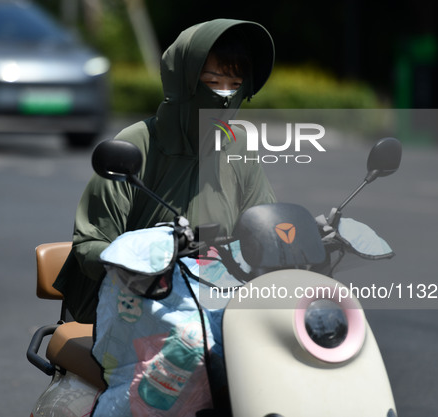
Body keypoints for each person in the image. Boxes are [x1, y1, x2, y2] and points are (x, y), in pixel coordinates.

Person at [54, 19, 276, 325]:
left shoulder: (239, 149)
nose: (225, 96)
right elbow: (91, 245)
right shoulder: (136, 144)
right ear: (182, 81)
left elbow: (263, 226)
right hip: (132, 309)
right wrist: (143, 262)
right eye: (212, 81)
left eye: (235, 85)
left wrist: (296, 240)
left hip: (216, 306)